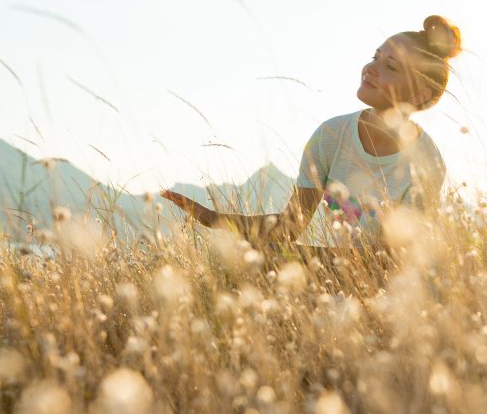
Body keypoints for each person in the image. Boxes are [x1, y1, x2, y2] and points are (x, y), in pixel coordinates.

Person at [162, 15, 461, 265]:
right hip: (329, 275)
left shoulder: (427, 162)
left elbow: (392, 259)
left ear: (420, 94)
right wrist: (213, 218)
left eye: (390, 67)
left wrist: (300, 258)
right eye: (375, 57)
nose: (370, 68)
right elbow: (290, 226)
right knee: (253, 261)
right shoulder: (331, 136)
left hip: (388, 292)